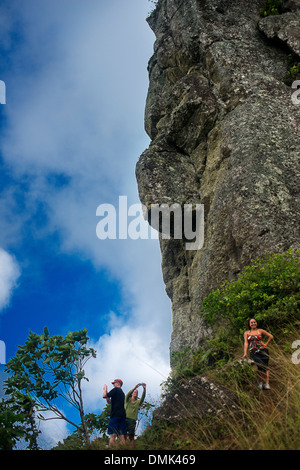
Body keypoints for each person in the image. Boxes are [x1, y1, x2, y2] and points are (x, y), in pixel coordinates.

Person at [243, 318, 273, 389]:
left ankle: (267, 384)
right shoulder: (247, 333)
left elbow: (271, 336)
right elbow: (246, 343)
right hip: (253, 352)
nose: (253, 324)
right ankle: (261, 382)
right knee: (260, 366)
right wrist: (245, 353)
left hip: (263, 351)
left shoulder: (260, 330)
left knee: (266, 366)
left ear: (256, 323)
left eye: (254, 322)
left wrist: (265, 344)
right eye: (252, 323)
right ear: (249, 324)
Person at [103, 378, 126, 447]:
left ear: (118, 383)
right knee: (121, 435)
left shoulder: (115, 390)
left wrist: (105, 389)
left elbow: (104, 396)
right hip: (122, 416)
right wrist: (108, 396)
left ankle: (111, 448)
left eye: (114, 383)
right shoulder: (122, 393)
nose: (113, 384)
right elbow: (109, 402)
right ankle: (124, 448)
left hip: (115, 415)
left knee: (113, 434)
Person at [125, 382, 146, 448]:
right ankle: (123, 448)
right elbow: (127, 394)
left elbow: (142, 398)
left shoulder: (137, 402)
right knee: (123, 436)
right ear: (132, 393)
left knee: (131, 436)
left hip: (132, 420)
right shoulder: (127, 400)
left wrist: (144, 389)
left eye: (136, 392)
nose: (135, 393)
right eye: (134, 392)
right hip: (124, 419)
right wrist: (135, 387)